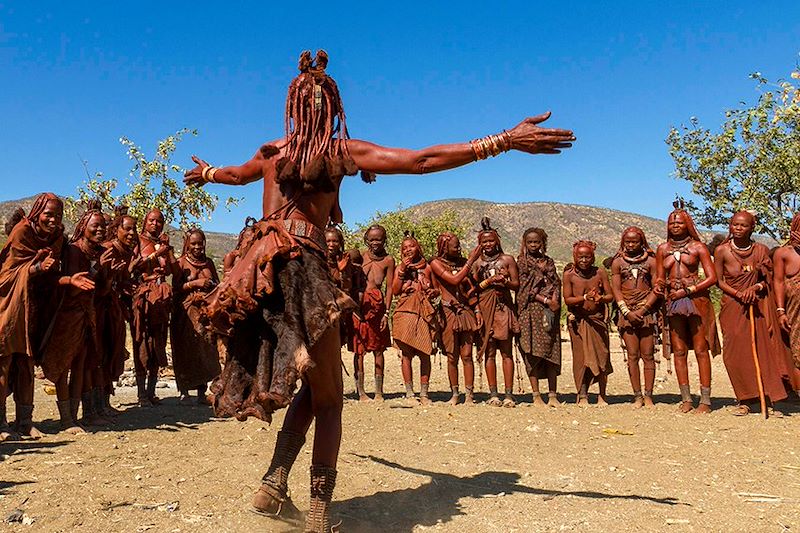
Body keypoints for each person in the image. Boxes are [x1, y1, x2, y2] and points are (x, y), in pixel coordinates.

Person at [183, 50, 574, 531]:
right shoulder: (341, 153)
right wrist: (503, 141)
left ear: (291, 106)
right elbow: (422, 160)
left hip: (258, 273)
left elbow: (231, 175)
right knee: (328, 398)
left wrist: (203, 173)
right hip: (302, 271)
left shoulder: (270, 153)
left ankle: (273, 485)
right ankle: (319, 514)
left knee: (314, 383)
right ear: (332, 109)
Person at [717, 211, 796, 414]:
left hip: (758, 306)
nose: (738, 228)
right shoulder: (722, 251)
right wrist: (738, 293)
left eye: (743, 225)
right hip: (733, 306)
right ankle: (745, 399)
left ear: (752, 228)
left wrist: (756, 288)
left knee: (763, 349)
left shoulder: (761, 250)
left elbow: (768, 278)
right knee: (734, 353)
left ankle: (767, 397)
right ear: (730, 226)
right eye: (735, 224)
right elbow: (719, 281)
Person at [0, 193, 65, 439]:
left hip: (35, 306)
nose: (53, 220)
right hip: (10, 305)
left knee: (26, 362)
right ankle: (1, 423)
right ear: (37, 213)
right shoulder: (21, 232)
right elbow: (5, 276)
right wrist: (37, 267)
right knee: (4, 361)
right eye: (49, 214)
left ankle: (25, 421)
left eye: (58, 216)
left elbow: (54, 270)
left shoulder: (56, 238)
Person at [40, 207, 108, 431]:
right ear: (83, 227)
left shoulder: (95, 253)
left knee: (80, 364)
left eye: (103, 226)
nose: (100, 229)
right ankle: (66, 419)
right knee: (64, 364)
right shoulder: (73, 251)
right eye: (95, 225)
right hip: (68, 316)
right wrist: (75, 279)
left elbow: (95, 286)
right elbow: (64, 285)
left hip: (86, 315)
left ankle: (75, 417)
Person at [655, 203, 721, 413]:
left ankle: (706, 400)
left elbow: (712, 278)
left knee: (701, 349)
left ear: (687, 224)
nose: (675, 225)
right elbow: (659, 277)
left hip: (696, 301)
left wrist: (688, 290)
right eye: (672, 222)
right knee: (679, 350)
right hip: (672, 302)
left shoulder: (698, 248)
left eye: (679, 222)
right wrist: (659, 286)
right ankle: (686, 399)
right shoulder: (662, 249)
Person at [471, 217, 520, 407]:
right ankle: (493, 394)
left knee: (506, 353)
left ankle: (508, 394)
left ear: (497, 241)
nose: (488, 244)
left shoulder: (507, 260)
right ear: (479, 244)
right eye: (484, 241)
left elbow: (516, 285)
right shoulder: (476, 263)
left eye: (491, 241)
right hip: (484, 310)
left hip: (503, 308)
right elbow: (472, 288)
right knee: (489, 352)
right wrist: (488, 282)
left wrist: (504, 282)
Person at [130, 208, 176, 407]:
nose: (155, 224)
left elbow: (173, 269)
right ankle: (141, 394)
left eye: (159, 221)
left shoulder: (164, 244)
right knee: (142, 342)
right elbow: (132, 267)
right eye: (151, 220)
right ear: (144, 222)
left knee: (158, 342)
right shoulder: (137, 241)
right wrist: (156, 254)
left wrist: (168, 251)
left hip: (162, 299)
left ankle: (151, 392)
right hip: (144, 298)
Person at [610, 227, 660, 408]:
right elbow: (615, 288)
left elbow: (657, 288)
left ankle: (649, 395)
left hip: (646, 313)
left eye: (635, 242)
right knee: (632, 355)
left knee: (648, 355)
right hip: (627, 313)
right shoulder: (617, 262)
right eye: (628, 242)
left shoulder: (652, 261)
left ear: (642, 242)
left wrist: (644, 308)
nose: (631, 245)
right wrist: (626, 311)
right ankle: (637, 396)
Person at [171, 228, 221, 405]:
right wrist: (195, 283)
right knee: (186, 349)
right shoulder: (181, 263)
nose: (198, 247)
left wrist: (209, 286)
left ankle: (201, 392)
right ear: (187, 245)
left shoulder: (209, 263)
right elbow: (175, 289)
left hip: (205, 313)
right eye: (194, 243)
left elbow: (218, 285)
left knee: (205, 349)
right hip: (185, 314)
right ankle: (184, 391)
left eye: (200, 243)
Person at [429, 232, 480, 405]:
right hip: (447, 312)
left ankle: (469, 395)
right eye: (455, 246)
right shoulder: (435, 263)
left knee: (467, 355)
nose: (458, 249)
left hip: (465, 311)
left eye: (459, 245)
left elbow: (470, 289)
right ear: (444, 247)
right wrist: (471, 260)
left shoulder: (462, 262)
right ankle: (455, 394)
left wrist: (477, 310)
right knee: (452, 356)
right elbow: (453, 279)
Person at [97, 213, 138, 415]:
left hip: (113, 309)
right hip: (99, 309)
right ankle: (98, 405)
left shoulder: (126, 252)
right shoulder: (108, 249)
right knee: (101, 354)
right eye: (127, 229)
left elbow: (120, 281)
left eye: (134, 229)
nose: (132, 233)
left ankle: (104, 403)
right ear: (116, 230)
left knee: (112, 352)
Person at [563, 240, 613, 405]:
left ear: (593, 257)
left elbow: (610, 296)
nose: (584, 260)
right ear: (575, 257)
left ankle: (602, 396)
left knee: (602, 357)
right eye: (580, 257)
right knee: (581, 359)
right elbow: (568, 299)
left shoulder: (600, 273)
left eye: (587, 257)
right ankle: (583, 395)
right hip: (579, 322)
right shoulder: (569, 275)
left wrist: (600, 298)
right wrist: (584, 298)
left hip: (597, 321)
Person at [391, 232, 438, 404]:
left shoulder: (428, 267)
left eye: (411, 246)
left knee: (425, 353)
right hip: (405, 312)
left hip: (423, 312)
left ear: (418, 247)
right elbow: (395, 290)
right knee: (407, 355)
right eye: (405, 248)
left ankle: (424, 393)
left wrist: (432, 291)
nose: (408, 249)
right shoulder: (399, 268)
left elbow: (437, 289)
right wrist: (403, 269)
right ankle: (410, 393)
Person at [516, 228, 562, 407]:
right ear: (525, 243)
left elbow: (556, 284)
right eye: (530, 242)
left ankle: (552, 395)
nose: (534, 245)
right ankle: (536, 396)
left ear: (543, 243)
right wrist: (543, 298)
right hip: (529, 313)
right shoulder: (521, 263)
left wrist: (555, 301)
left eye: (537, 242)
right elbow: (522, 290)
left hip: (549, 313)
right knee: (531, 353)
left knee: (551, 352)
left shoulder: (549, 262)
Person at [354, 224, 394, 401]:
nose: (375, 242)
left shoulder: (388, 261)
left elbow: (390, 287)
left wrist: (386, 313)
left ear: (384, 239)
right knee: (359, 349)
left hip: (378, 308)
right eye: (372, 239)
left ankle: (379, 392)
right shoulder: (359, 258)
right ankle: (361, 392)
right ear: (366, 240)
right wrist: (354, 308)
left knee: (379, 349)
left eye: (379, 239)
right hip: (360, 307)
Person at [774, 213, 800, 380]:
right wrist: (781, 310)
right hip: (795, 312)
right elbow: (778, 281)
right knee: (798, 353)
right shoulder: (783, 253)